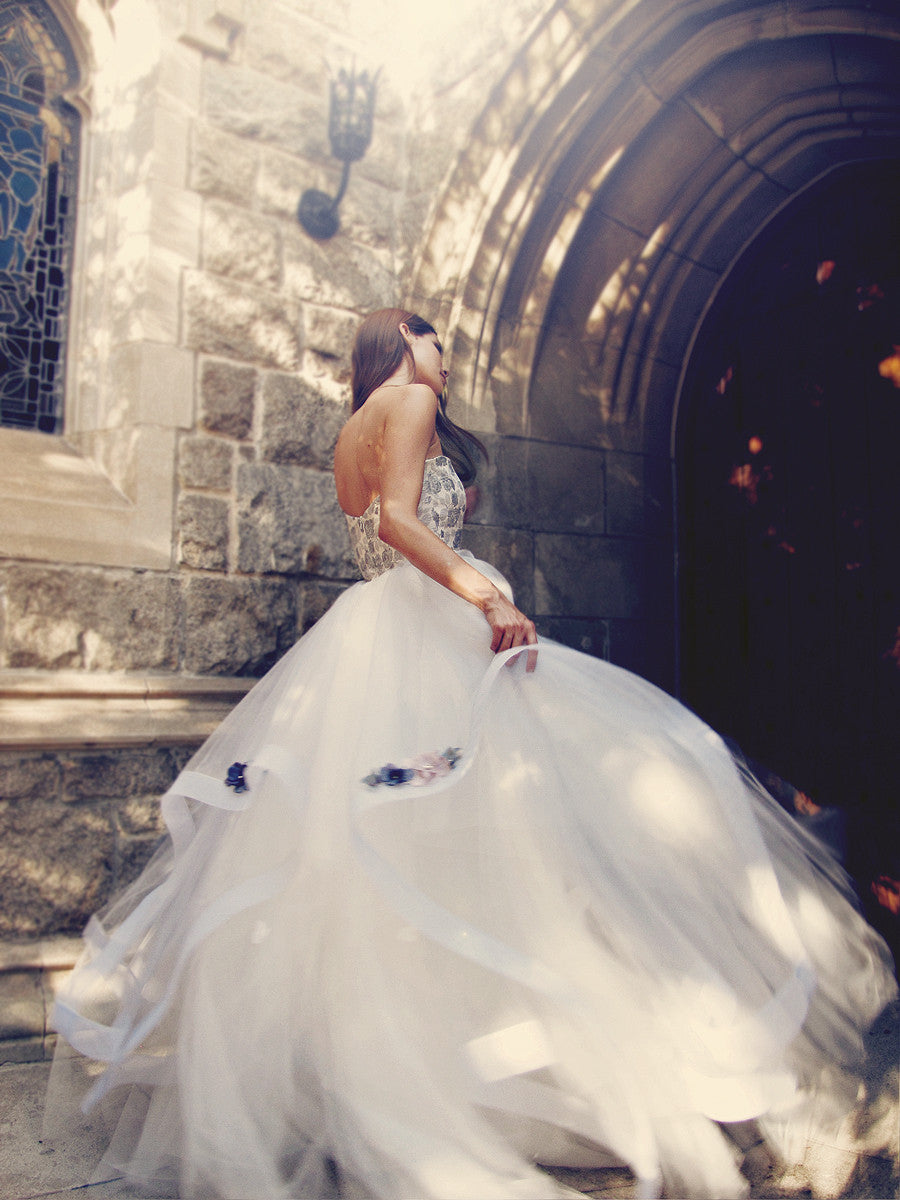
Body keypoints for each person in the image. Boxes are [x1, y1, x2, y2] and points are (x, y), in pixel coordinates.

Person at [46, 309, 897, 1200]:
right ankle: (488, 1064)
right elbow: (401, 523)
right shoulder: (409, 400)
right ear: (402, 343)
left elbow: (380, 522)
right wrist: (485, 596)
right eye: (437, 345)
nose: (445, 363)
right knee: (575, 796)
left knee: (405, 849)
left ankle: (414, 1062)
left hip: (370, 636)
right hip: (422, 627)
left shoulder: (351, 428)